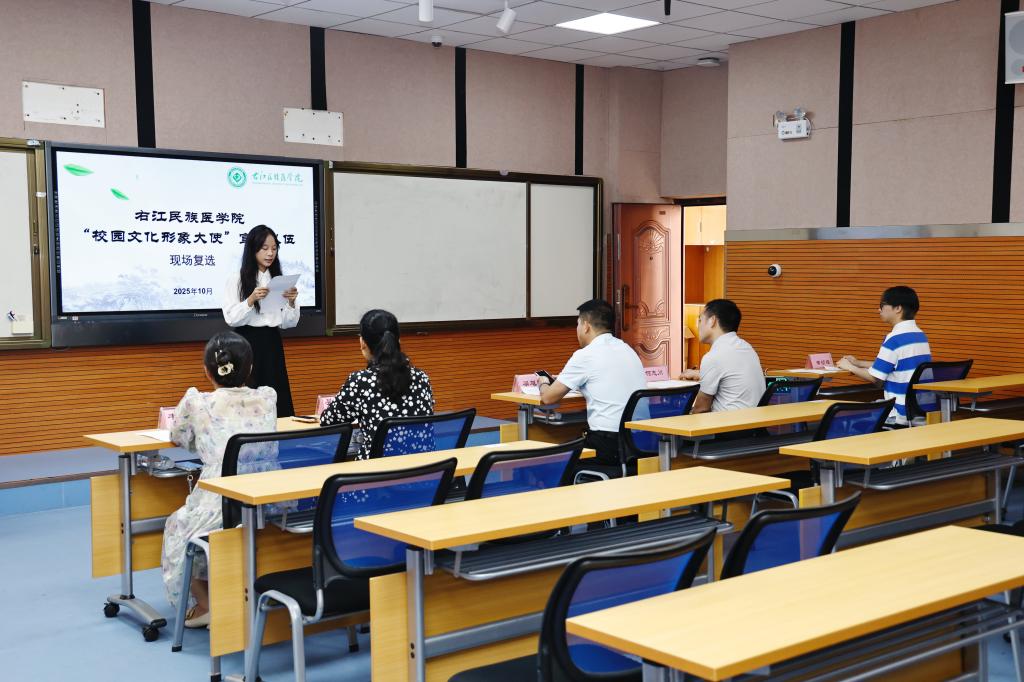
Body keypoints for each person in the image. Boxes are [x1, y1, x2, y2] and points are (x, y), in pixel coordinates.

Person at [161, 331, 277, 627]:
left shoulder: (197, 403)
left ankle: (205, 604)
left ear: (207, 371)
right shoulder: (267, 397)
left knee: (178, 527)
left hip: (221, 501)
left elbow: (180, 437)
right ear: (250, 368)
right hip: (269, 498)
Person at [538, 299, 647, 465]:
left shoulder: (585, 355)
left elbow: (548, 398)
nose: (577, 330)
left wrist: (543, 382)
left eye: (578, 324)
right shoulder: (628, 349)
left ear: (586, 326)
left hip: (609, 444)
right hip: (640, 440)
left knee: (550, 462)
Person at [320, 309, 434, 459]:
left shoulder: (360, 382)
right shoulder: (422, 378)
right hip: (424, 469)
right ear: (398, 341)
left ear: (362, 343)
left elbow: (328, 421)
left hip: (376, 472)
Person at [222, 224, 299, 417]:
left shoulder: (279, 280)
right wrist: (250, 300)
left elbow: (288, 323)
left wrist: (291, 302)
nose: (270, 253)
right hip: (246, 343)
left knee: (276, 392)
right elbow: (231, 318)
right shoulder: (237, 279)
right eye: (264, 248)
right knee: (248, 394)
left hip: (271, 342)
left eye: (274, 248)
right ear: (253, 249)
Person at [836, 286, 931, 425]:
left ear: (897, 308)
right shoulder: (920, 335)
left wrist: (850, 367)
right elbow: (898, 365)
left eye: (882, 305)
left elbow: (875, 378)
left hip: (900, 414)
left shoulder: (894, 338)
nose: (878, 310)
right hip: (923, 411)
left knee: (844, 419)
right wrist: (859, 363)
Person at [680, 299, 764, 414]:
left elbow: (701, 409)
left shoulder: (714, 357)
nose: (698, 326)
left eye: (700, 320)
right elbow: (731, 373)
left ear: (712, 321)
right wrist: (700, 374)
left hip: (728, 423)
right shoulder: (747, 348)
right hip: (753, 422)